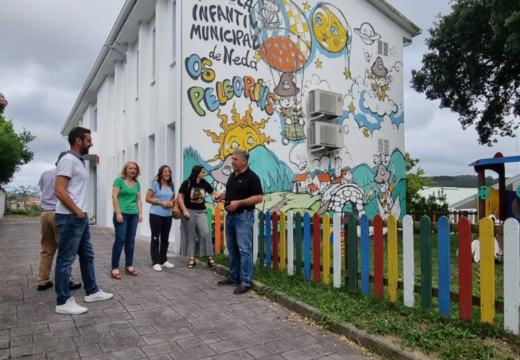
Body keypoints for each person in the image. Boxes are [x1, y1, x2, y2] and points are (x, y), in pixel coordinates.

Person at [54, 127, 113, 315]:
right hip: (71, 217)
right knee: (65, 260)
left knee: (88, 256)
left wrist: (83, 214)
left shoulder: (78, 162)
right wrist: (78, 212)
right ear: (78, 141)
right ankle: (63, 301)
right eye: (88, 140)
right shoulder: (68, 160)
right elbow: (59, 190)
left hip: (80, 218)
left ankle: (92, 291)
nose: (92, 143)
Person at [212, 150, 263, 294]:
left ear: (244, 161)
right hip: (230, 216)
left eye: (235, 159)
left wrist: (239, 203)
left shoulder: (252, 177)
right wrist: (221, 195)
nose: (232, 162)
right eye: (232, 159)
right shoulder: (232, 176)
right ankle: (233, 277)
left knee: (244, 250)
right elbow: (232, 191)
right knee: (232, 249)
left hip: (244, 217)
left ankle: (245, 281)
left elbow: (259, 198)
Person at [37, 151, 82, 292]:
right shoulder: (66, 176)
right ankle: (65, 282)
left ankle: (43, 281)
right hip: (59, 213)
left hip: (45, 214)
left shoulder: (45, 174)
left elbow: (42, 188)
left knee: (47, 250)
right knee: (65, 251)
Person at [177, 165, 218, 269]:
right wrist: (184, 211)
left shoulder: (204, 183)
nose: (204, 174)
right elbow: (180, 197)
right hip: (188, 211)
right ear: (197, 173)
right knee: (190, 235)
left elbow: (213, 192)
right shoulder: (187, 183)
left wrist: (216, 196)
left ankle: (210, 257)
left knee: (205, 233)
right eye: (202, 172)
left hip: (201, 211)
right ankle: (191, 258)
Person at [111, 161, 143, 279]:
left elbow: (139, 199)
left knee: (131, 240)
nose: (132, 170)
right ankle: (115, 267)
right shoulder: (119, 181)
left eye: (134, 168)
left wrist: (140, 213)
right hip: (122, 214)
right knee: (120, 240)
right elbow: (114, 196)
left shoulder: (137, 183)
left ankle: (129, 265)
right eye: (130, 168)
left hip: (133, 214)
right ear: (126, 170)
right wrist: (118, 213)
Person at [145, 165, 176, 272]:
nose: (167, 173)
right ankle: (155, 261)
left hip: (168, 215)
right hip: (156, 214)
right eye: (165, 172)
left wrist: (171, 203)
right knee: (155, 238)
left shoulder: (171, 185)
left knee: (165, 238)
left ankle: (163, 260)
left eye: (169, 172)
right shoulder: (155, 184)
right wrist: (160, 203)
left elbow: (173, 198)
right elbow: (147, 198)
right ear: (161, 173)